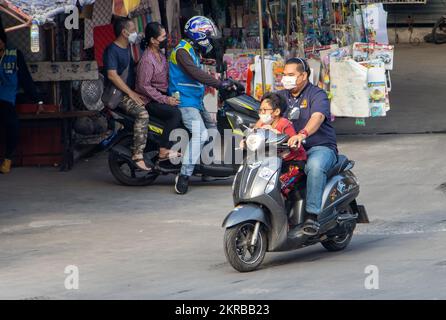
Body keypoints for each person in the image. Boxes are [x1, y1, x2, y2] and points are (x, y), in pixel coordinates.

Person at [168, 16, 234, 195]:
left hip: (195, 100)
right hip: (185, 101)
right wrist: (218, 84)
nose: (210, 39)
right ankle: (183, 175)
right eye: (208, 35)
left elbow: (199, 68)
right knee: (201, 134)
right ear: (198, 34)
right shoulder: (182, 51)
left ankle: (205, 167)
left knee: (212, 127)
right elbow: (194, 73)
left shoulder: (192, 50)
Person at [280, 58, 338, 236]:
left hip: (319, 147)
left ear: (303, 75)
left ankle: (312, 216)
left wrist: (302, 134)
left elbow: (318, 117)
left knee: (315, 167)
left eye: (291, 75)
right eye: (284, 75)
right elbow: (264, 113)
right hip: (289, 150)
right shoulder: (280, 97)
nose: (286, 79)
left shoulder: (317, 94)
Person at [103, 17, 151, 171]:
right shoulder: (112, 50)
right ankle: (138, 154)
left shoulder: (128, 47)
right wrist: (131, 93)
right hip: (118, 96)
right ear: (124, 32)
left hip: (129, 92)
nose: (135, 33)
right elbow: (112, 75)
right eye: (133, 30)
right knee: (142, 115)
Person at [136, 22, 182, 161]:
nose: (165, 39)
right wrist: (166, 100)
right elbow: (144, 86)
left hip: (161, 94)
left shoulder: (160, 55)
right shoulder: (147, 60)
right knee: (175, 114)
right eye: (163, 37)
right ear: (153, 40)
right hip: (150, 99)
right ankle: (163, 150)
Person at [0, 20, 40, 174]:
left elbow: (25, 78)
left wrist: (38, 100)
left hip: (7, 99)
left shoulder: (14, 54)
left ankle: (7, 159)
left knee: (12, 124)